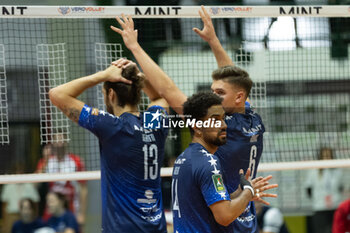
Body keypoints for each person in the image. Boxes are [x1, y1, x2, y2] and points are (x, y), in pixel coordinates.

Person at [111, 6, 265, 232]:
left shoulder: (218, 126)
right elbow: (233, 81)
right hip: (245, 218)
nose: (214, 97)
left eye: (219, 94)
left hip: (229, 219)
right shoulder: (252, 119)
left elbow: (167, 89)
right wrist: (213, 40)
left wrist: (135, 47)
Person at [49, 60, 169, 232]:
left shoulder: (112, 126)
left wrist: (102, 75)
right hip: (156, 227)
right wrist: (138, 77)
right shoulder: (155, 122)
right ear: (139, 93)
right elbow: (160, 97)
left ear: (111, 94)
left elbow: (57, 94)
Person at [171, 92, 277, 232]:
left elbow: (202, 203)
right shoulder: (208, 162)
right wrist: (248, 192)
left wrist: (238, 194)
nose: (224, 125)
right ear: (197, 127)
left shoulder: (184, 158)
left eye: (223, 118)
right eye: (215, 120)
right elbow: (225, 216)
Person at [36, 134, 88, 227]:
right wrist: (46, 160)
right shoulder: (47, 161)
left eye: (62, 139)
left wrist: (82, 214)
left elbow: (83, 189)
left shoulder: (76, 161)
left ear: (66, 141)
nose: (59, 142)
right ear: (52, 143)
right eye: (56, 140)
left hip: (72, 207)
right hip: (52, 207)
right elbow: (36, 183)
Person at [305, 147, 344, 233]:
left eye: (329, 155)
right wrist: (318, 199)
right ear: (320, 156)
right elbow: (308, 190)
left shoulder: (338, 171)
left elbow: (341, 187)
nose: (327, 157)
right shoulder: (313, 171)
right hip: (319, 207)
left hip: (335, 207)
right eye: (325, 155)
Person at [1, 165, 40, 233]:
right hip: (12, 215)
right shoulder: (8, 186)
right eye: (17, 171)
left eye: (21, 171)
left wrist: (34, 217)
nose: (19, 173)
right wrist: (5, 220)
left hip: (28, 215)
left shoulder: (29, 186)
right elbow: (4, 204)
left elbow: (35, 203)